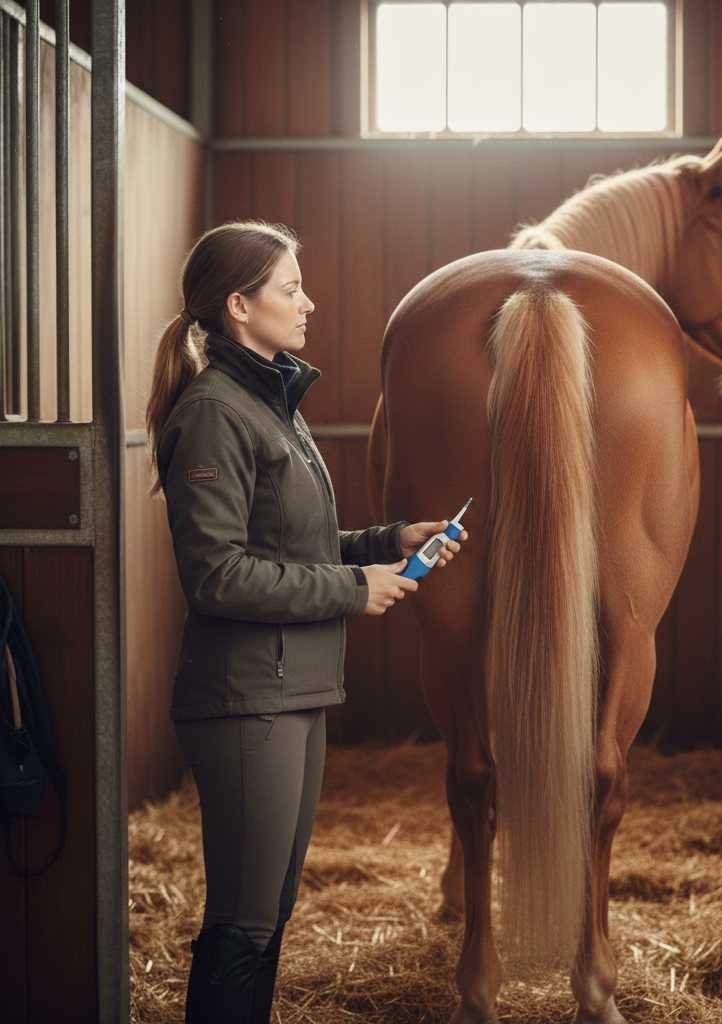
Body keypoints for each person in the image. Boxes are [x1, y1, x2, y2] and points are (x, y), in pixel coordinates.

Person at [144, 219, 468, 1023]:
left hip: (293, 690)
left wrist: (392, 541)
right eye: (290, 288)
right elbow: (218, 575)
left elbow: (298, 546)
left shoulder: (271, 403)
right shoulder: (218, 411)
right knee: (244, 925)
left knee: (271, 915)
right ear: (240, 306)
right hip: (248, 698)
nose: (308, 303)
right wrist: (354, 588)